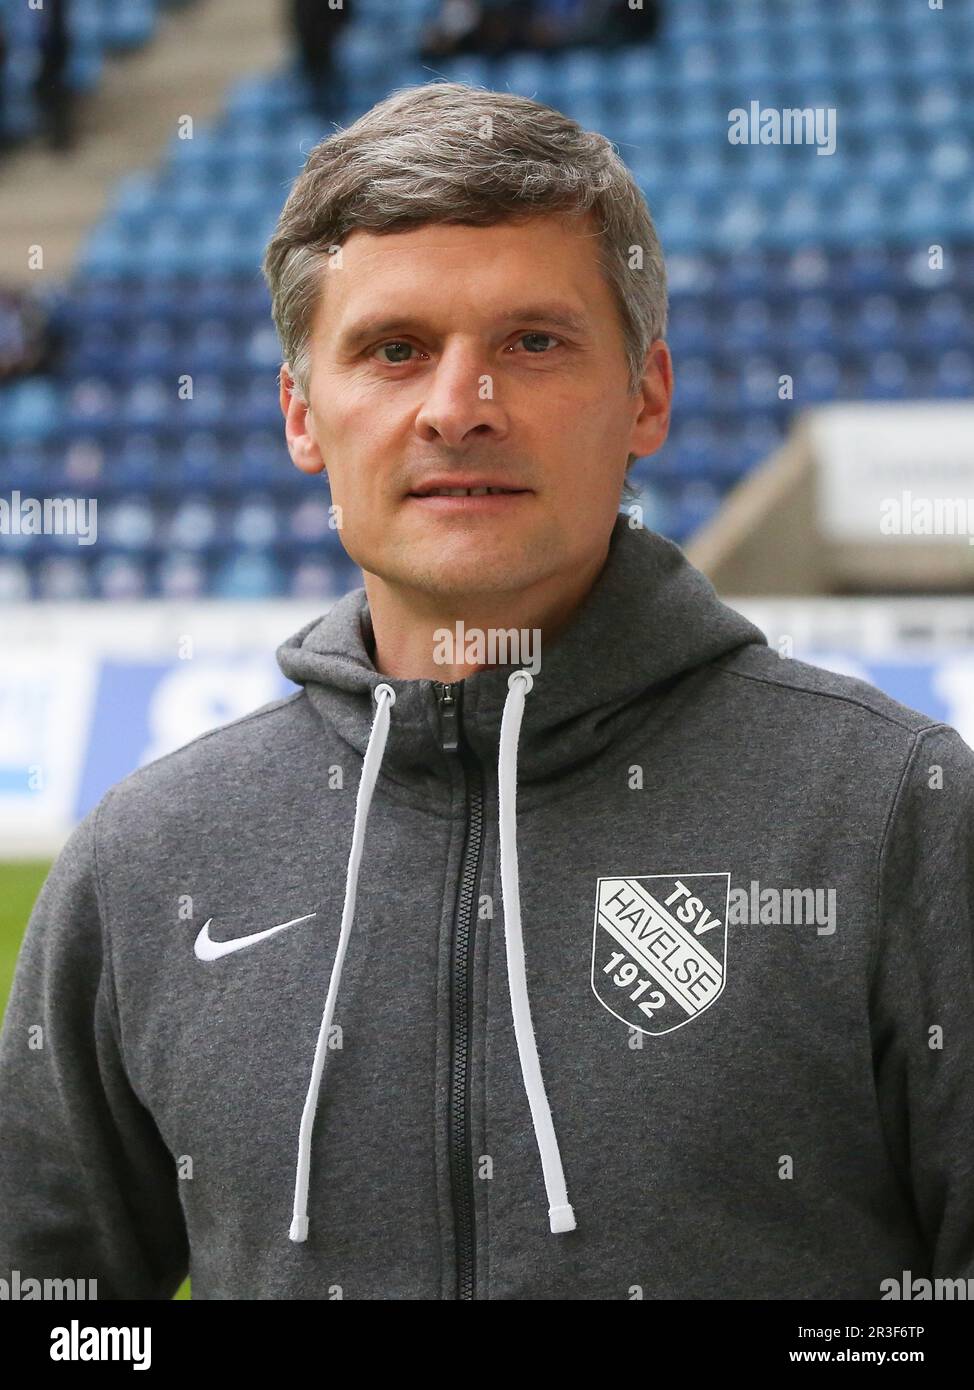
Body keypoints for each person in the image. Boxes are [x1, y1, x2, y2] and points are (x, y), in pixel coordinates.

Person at [1, 81, 972, 1301]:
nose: (459, 408)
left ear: (647, 396)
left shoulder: (892, 812)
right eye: (393, 349)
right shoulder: (147, 859)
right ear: (302, 413)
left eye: (533, 342)